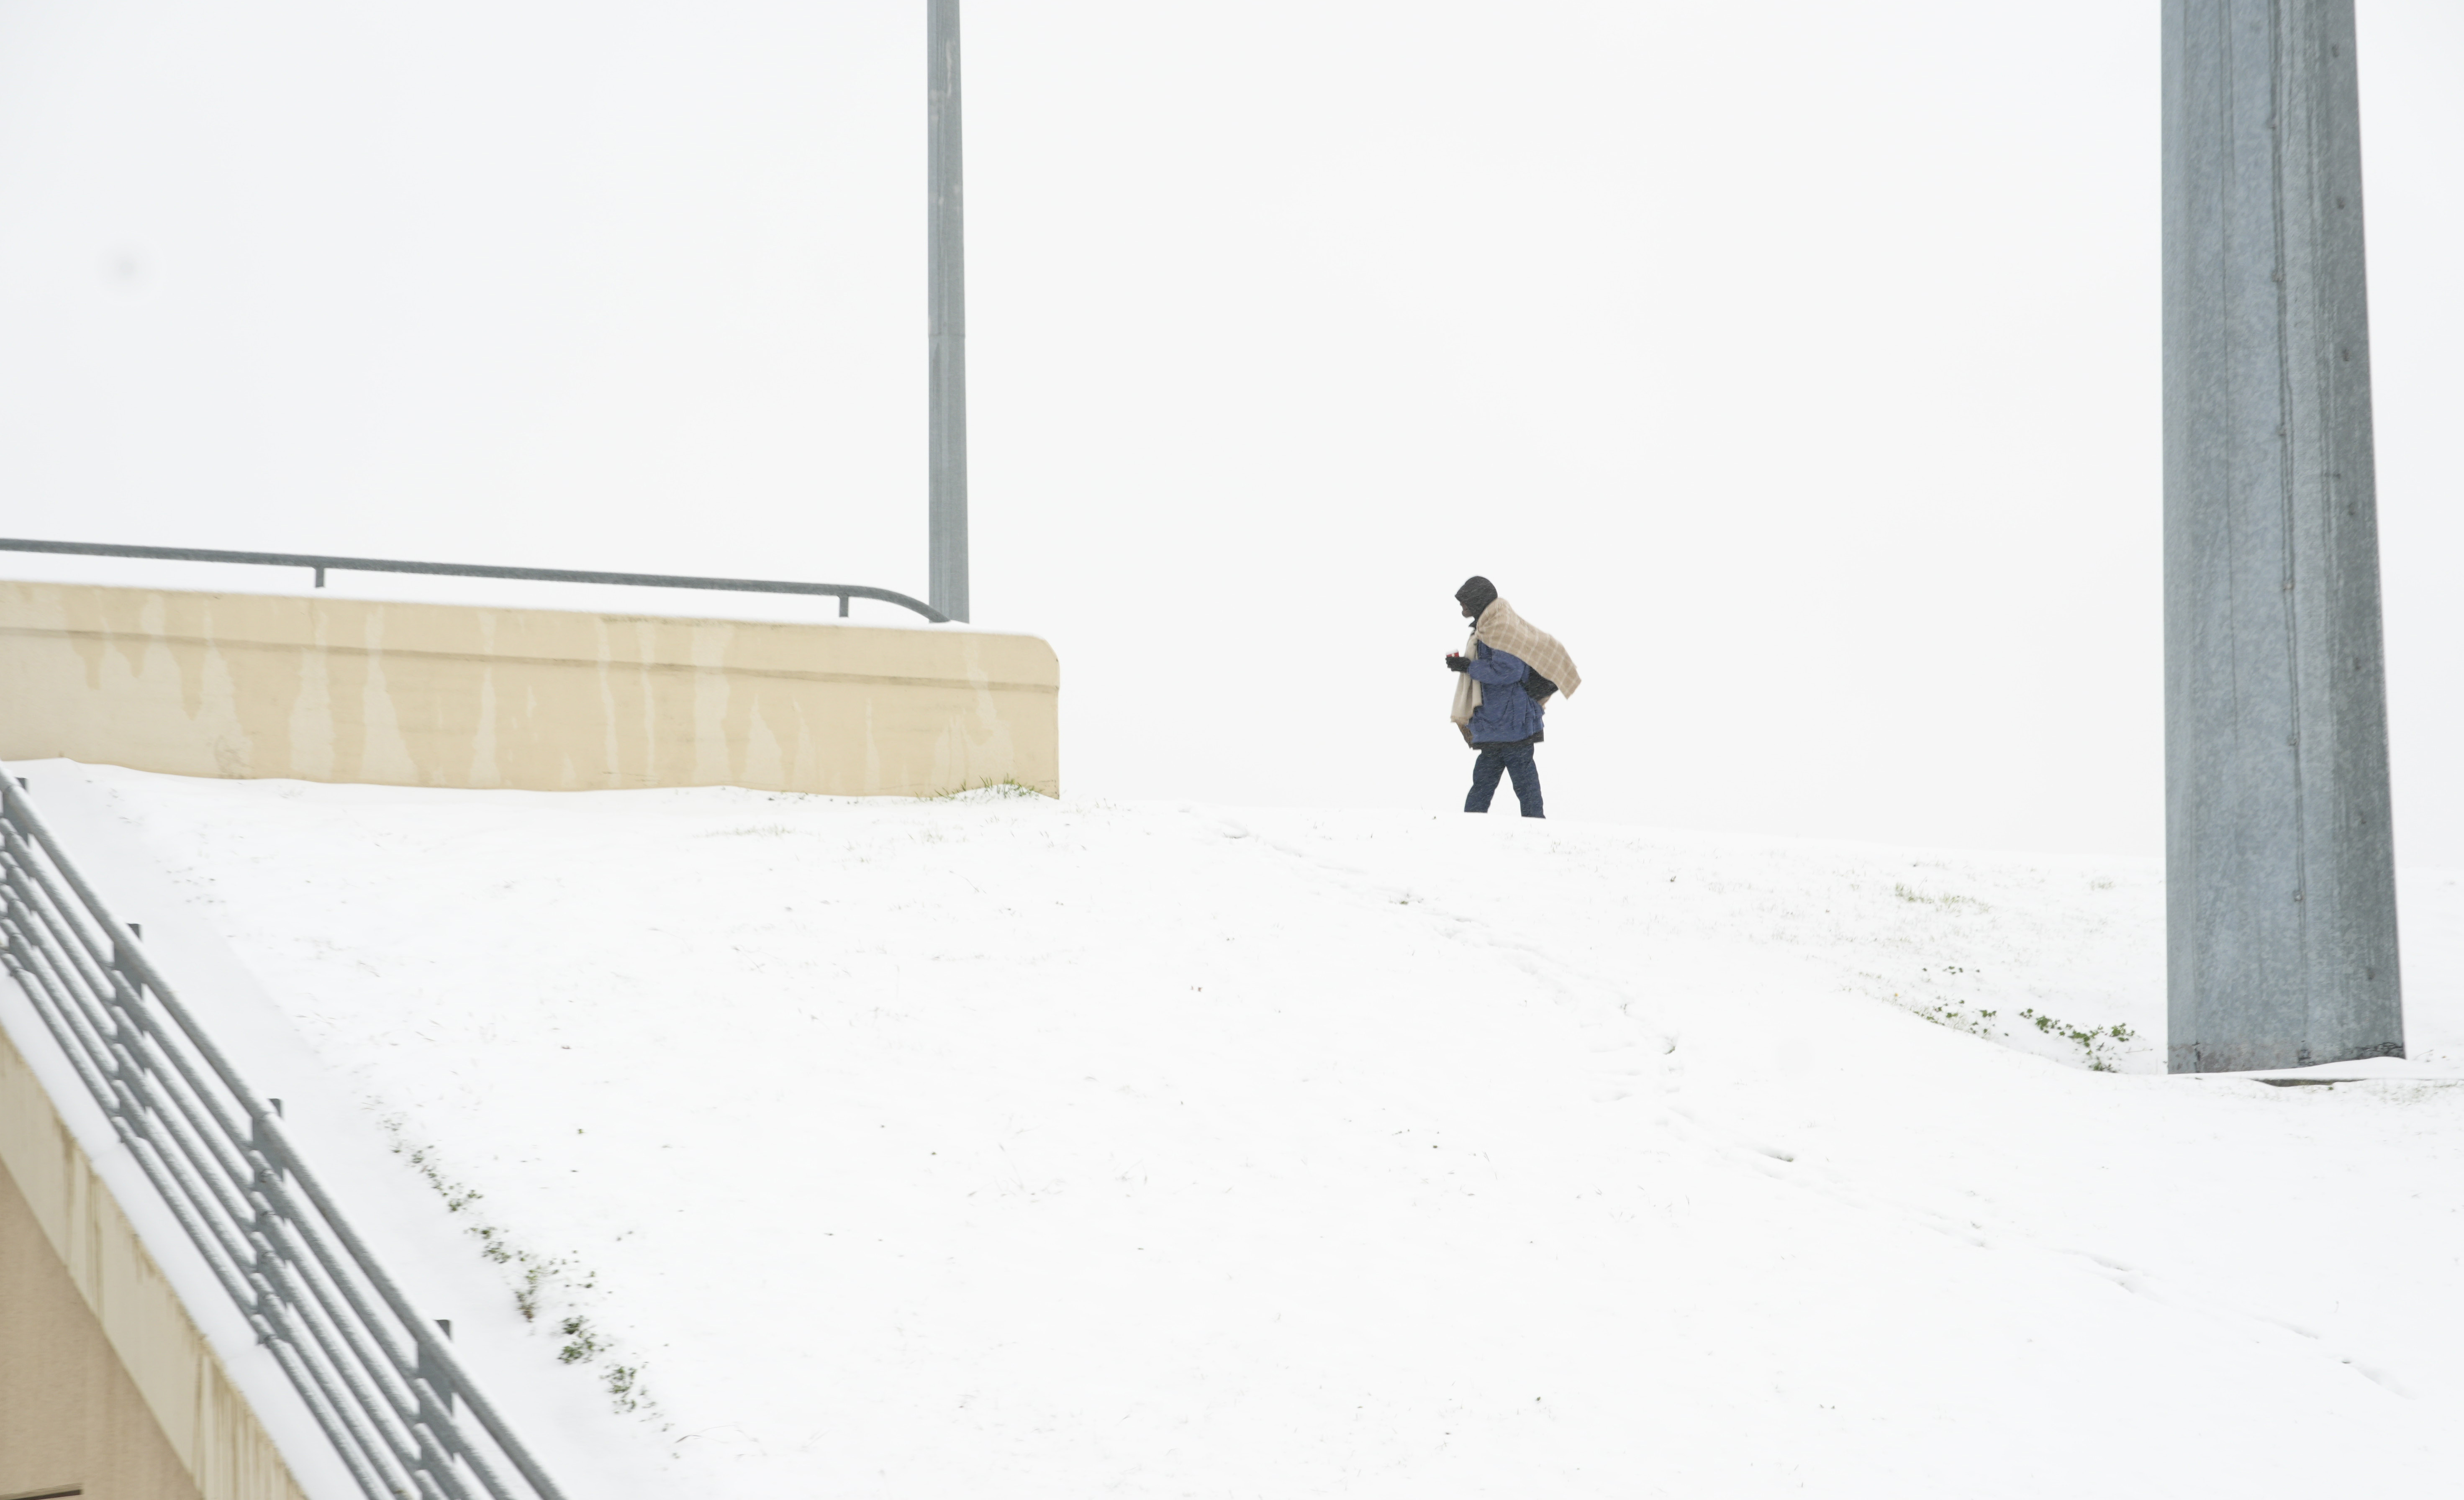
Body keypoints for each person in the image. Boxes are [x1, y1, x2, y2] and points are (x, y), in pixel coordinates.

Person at [1445, 576, 1581, 818]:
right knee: (1497, 785)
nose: (1462, 607)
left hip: (1511, 723)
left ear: (1478, 601)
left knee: (1517, 786)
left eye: (1465, 602)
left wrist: (1469, 667)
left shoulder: (1500, 627)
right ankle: (1471, 829)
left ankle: (1531, 829)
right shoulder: (1489, 625)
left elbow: (1509, 670)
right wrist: (1464, 665)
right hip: (1499, 724)